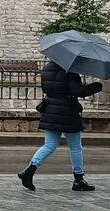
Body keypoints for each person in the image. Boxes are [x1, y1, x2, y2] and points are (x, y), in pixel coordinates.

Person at [18, 61, 103, 192]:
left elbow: (46, 88)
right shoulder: (70, 71)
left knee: (49, 145)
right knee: (75, 147)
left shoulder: (46, 68)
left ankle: (29, 171)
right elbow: (77, 91)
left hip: (51, 110)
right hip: (68, 113)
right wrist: (96, 87)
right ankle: (78, 180)